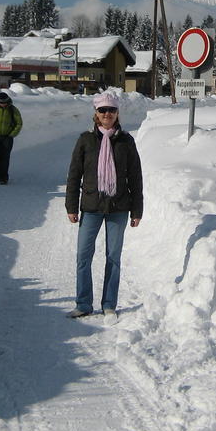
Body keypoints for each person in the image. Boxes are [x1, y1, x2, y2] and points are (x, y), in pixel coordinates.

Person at [65, 93, 143, 321]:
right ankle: (83, 303)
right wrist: (71, 205)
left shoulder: (126, 141)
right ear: (96, 114)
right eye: (102, 110)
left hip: (119, 207)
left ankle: (109, 303)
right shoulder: (85, 140)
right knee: (83, 255)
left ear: (117, 113)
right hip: (91, 206)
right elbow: (73, 175)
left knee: (113, 257)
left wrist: (137, 210)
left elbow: (136, 178)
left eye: (111, 110)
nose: (107, 114)